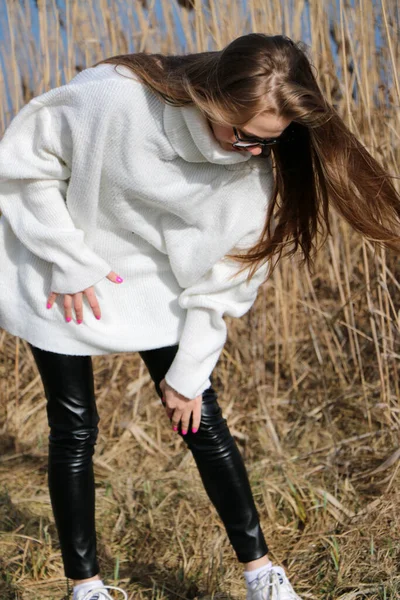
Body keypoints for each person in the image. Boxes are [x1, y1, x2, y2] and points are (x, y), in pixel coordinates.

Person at [0, 32, 398, 600]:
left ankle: (262, 574)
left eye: (269, 142)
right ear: (212, 95)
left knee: (202, 417)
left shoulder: (253, 174)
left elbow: (223, 286)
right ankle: (84, 586)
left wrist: (188, 375)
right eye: (244, 134)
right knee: (75, 429)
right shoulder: (115, 99)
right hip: (66, 267)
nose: (254, 152)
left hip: (155, 284)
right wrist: (67, 259)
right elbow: (22, 163)